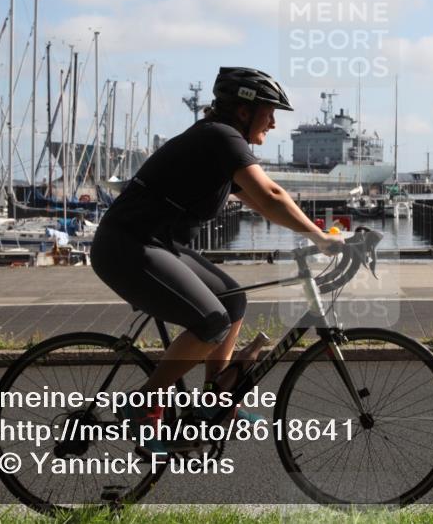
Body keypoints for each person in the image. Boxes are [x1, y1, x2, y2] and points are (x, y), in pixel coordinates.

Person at [90, 67, 343, 439]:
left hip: (158, 244)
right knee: (211, 322)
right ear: (244, 111)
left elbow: (260, 202)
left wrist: (310, 233)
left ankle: (214, 402)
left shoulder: (218, 144)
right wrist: (320, 238)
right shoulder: (221, 138)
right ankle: (142, 408)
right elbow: (272, 196)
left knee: (233, 301)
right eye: (269, 111)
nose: (273, 123)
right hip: (127, 245)